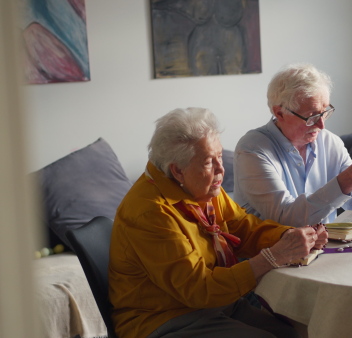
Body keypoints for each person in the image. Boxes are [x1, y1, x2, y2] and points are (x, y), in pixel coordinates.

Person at [108, 107, 327, 338]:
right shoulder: (150, 213)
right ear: (178, 171)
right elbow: (198, 290)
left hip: (215, 305)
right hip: (163, 319)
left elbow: (243, 227)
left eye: (220, 156)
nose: (221, 169)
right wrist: (273, 257)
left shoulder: (201, 188)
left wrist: (291, 237)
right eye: (208, 163)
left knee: (296, 332)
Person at [234, 63, 352, 227]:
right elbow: (287, 218)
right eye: (312, 116)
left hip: (325, 253)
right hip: (272, 258)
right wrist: (347, 180)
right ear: (280, 113)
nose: (321, 125)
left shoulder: (330, 142)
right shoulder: (252, 150)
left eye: (324, 112)